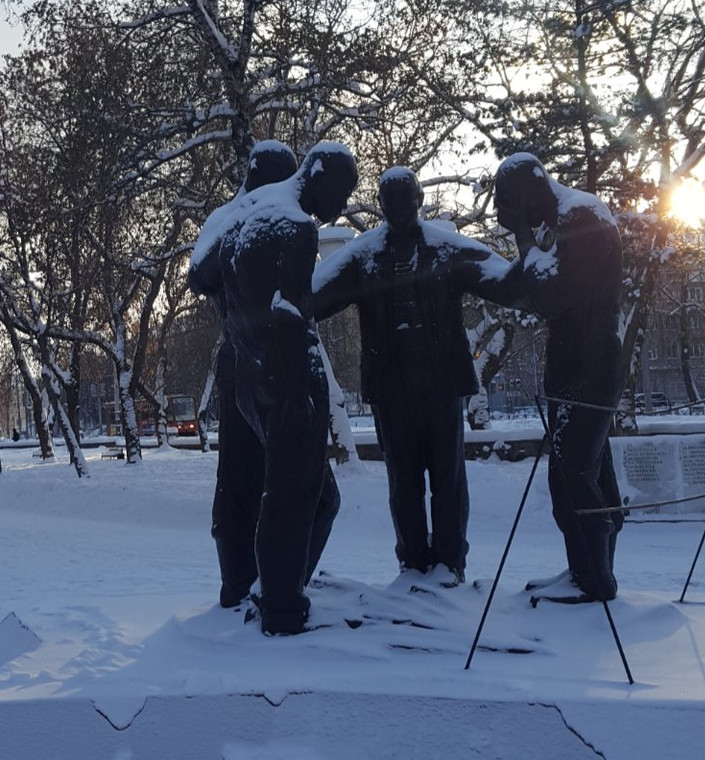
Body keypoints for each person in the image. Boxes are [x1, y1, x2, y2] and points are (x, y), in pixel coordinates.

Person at [314, 167, 521, 587]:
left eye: (406, 203)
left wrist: (528, 240)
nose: (399, 212)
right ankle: (411, 565)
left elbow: (505, 284)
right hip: (392, 393)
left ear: (419, 202)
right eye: (390, 205)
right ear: (381, 207)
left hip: (442, 387)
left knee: (448, 480)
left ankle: (449, 564)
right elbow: (312, 298)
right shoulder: (362, 256)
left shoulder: (447, 249)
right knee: (403, 484)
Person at [211, 141, 357, 635]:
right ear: (316, 175)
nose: (340, 206)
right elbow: (290, 313)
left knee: (300, 496)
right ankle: (281, 606)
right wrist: (299, 394)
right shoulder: (294, 226)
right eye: (340, 193)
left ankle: (274, 590)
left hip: (252, 376)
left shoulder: (239, 227)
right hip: (290, 377)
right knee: (297, 497)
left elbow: (233, 304)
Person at [189, 140, 323, 611]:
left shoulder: (239, 220)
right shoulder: (241, 219)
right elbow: (198, 276)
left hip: (246, 360)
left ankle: (267, 583)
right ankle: (267, 586)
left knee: (251, 480)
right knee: (264, 482)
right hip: (257, 360)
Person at [494, 153, 624, 602]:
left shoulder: (580, 216)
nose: (509, 214)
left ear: (531, 190)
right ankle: (585, 569)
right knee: (586, 471)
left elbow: (551, 295)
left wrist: (522, 235)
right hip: (575, 365)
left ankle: (594, 580)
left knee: (571, 475)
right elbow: (527, 286)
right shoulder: (560, 223)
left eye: (511, 204)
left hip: (590, 366)